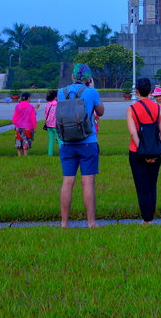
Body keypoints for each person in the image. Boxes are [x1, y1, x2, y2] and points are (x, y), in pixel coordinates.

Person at [58, 64, 104, 228]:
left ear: (72, 76)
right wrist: (91, 88)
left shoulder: (61, 92)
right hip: (87, 142)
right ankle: (91, 223)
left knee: (67, 182)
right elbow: (100, 112)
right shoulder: (91, 92)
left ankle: (64, 223)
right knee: (88, 183)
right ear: (88, 78)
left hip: (66, 142)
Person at [127, 77, 161, 224]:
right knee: (152, 185)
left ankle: (146, 219)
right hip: (155, 151)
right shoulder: (158, 108)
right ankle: (150, 217)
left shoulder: (132, 109)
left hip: (136, 151)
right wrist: (156, 151)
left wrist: (142, 151)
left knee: (141, 186)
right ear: (150, 91)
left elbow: (133, 133)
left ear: (136, 91)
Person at [13, 93, 40, 157]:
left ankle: (19, 155)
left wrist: (15, 124)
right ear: (29, 98)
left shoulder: (17, 106)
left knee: (19, 140)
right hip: (28, 126)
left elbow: (15, 116)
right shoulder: (30, 107)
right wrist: (34, 126)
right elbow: (33, 118)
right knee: (26, 140)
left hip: (18, 125)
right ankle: (25, 155)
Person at [44, 90, 59, 156]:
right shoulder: (57, 104)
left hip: (48, 124)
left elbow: (45, 115)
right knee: (59, 139)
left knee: (50, 140)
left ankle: (50, 154)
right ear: (55, 97)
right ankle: (61, 153)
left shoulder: (47, 104)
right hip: (56, 124)